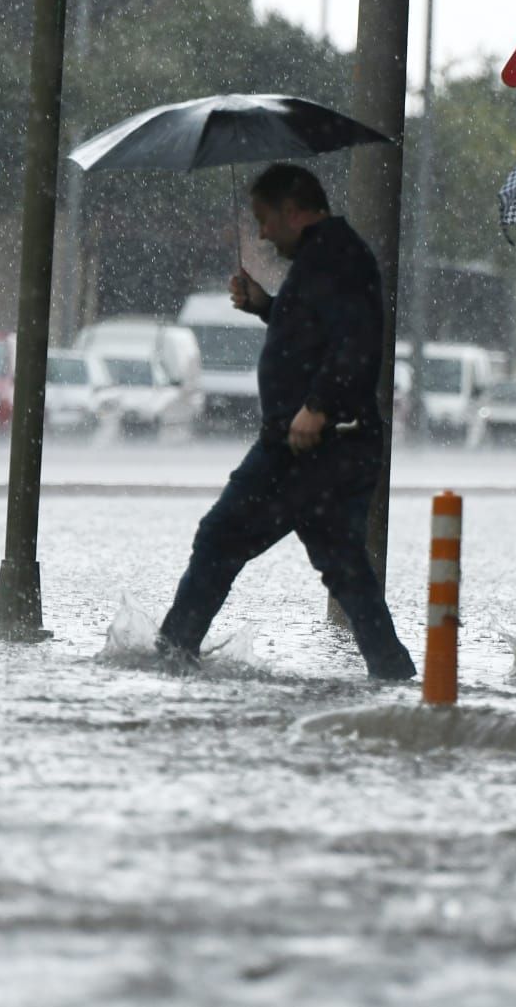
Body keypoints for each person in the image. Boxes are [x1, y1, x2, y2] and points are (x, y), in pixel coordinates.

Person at [155, 164, 416, 679]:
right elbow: (317, 331)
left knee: (219, 537)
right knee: (346, 571)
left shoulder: (336, 258)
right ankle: (393, 673)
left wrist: (316, 407)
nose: (262, 234)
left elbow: (355, 343)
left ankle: (172, 654)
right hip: (331, 445)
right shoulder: (328, 257)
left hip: (306, 447)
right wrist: (265, 306)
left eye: (265, 219)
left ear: (294, 211)